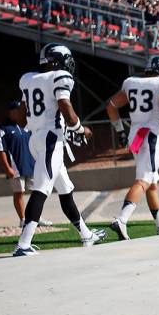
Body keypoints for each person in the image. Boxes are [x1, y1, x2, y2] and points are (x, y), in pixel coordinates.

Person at [12, 44, 106, 256]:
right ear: (57, 60)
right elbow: (65, 107)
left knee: (65, 190)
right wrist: (80, 128)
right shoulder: (60, 77)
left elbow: (20, 117)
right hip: (50, 140)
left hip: (35, 139)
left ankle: (86, 234)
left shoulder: (28, 79)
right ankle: (23, 244)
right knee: (42, 188)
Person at [107, 56, 159, 239]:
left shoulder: (133, 83)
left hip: (136, 136)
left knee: (151, 183)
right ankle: (122, 220)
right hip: (150, 136)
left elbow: (111, 106)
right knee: (143, 181)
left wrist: (120, 132)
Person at [0, 101, 51, 228]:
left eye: (20, 110)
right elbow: (1, 150)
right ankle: (23, 220)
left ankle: (36, 217)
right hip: (15, 168)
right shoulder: (2, 129)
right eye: (16, 110)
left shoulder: (27, 126)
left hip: (31, 166)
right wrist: (7, 168)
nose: (18, 112)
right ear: (10, 112)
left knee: (36, 192)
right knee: (19, 192)